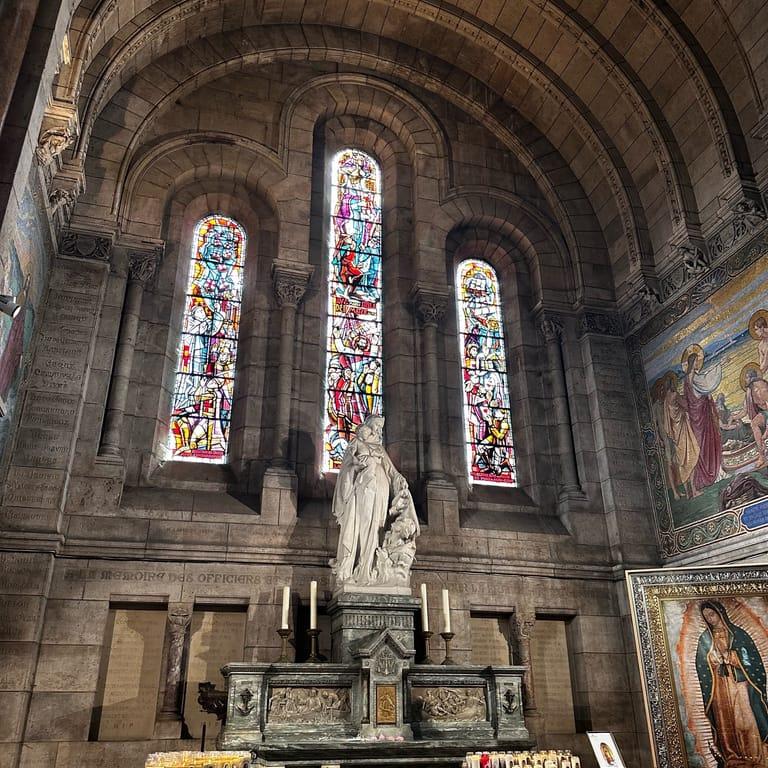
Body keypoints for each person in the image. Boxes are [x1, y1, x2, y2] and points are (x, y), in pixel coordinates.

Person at [330, 415, 417, 587]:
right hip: (364, 487)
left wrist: (399, 479)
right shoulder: (356, 444)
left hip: (381, 489)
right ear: (367, 428)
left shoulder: (379, 449)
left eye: (380, 428)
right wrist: (355, 467)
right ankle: (362, 569)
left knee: (377, 527)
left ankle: (371, 568)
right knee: (365, 525)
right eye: (376, 426)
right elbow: (347, 466)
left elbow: (391, 470)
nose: (378, 430)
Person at [695, 600, 768, 766]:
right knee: (725, 722)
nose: (711, 619)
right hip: (719, 686)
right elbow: (701, 665)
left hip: (740, 683)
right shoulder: (705, 639)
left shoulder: (738, 634)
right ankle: (732, 757)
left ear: (720, 613)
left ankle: (754, 756)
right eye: (707, 617)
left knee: (746, 720)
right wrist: (711, 661)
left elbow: (753, 661)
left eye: (712, 614)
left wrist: (732, 657)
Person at [683, 347, 723, 491]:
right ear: (692, 362)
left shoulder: (689, 379)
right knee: (703, 443)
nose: (697, 364)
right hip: (700, 415)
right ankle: (706, 475)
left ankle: (709, 474)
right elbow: (704, 387)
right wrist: (718, 367)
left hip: (698, 416)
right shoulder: (692, 378)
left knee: (703, 444)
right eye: (696, 362)